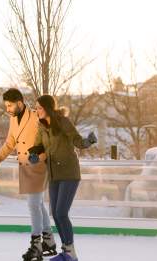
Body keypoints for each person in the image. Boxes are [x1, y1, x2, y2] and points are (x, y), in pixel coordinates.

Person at [0, 88, 57, 261]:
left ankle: (36, 245)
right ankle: (48, 240)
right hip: (24, 165)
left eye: (10, 105)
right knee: (38, 204)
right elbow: (10, 143)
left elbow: (50, 137)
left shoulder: (35, 116)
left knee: (33, 204)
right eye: (6, 105)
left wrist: (42, 152)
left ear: (19, 102)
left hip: (38, 164)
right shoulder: (13, 120)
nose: (8, 109)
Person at [28, 95, 97, 261]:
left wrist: (88, 141)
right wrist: (33, 155)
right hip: (54, 174)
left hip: (69, 173)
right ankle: (66, 251)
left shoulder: (63, 122)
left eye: (39, 108)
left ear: (48, 108)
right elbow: (38, 146)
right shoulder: (41, 126)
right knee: (55, 213)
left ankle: (70, 251)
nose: (36, 110)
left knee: (61, 212)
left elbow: (77, 140)